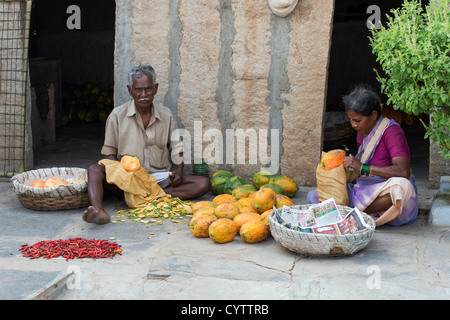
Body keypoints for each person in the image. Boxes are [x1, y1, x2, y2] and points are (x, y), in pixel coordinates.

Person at [83, 65, 211, 224]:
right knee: (95, 169)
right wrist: (122, 175)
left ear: (156, 89)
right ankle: (98, 210)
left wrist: (178, 170)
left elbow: (176, 149)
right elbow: (109, 153)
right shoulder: (117, 115)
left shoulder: (166, 115)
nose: (144, 95)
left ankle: (146, 195)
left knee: (203, 184)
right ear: (130, 90)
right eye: (138, 90)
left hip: (158, 178)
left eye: (148, 89)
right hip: (127, 180)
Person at [308, 84, 418, 227]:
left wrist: (362, 167)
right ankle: (355, 211)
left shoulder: (392, 132)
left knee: (403, 187)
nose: (353, 125)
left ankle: (348, 211)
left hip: (384, 190)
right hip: (364, 190)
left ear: (373, 115)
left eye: (357, 120)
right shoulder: (362, 133)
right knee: (314, 195)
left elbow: (403, 172)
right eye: (351, 120)